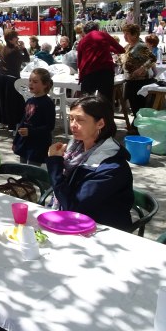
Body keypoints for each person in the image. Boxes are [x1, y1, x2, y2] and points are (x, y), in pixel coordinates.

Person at [46, 95, 134, 230]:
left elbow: (74, 208)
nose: (73, 125)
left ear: (100, 123)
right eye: (71, 118)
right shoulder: (75, 151)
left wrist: (55, 164)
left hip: (102, 232)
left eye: (80, 120)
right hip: (74, 223)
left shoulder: (111, 167)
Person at [13, 68, 55, 166]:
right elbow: (23, 121)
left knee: (33, 170)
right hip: (25, 142)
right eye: (30, 81)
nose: (31, 84)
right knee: (22, 168)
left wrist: (31, 131)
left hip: (38, 144)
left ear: (45, 84)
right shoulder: (29, 101)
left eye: (35, 82)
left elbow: (49, 126)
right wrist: (16, 141)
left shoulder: (47, 103)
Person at [76, 21, 124, 101]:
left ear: (85, 31)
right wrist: (107, 48)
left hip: (88, 72)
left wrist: (81, 75)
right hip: (105, 71)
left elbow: (79, 61)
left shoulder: (82, 41)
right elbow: (120, 49)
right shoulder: (104, 35)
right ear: (97, 28)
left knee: (86, 101)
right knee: (106, 100)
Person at [121, 24, 156, 117]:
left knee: (140, 108)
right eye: (124, 33)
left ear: (135, 34)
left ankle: (139, 124)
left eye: (127, 34)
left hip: (140, 82)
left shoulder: (141, 46)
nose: (124, 36)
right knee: (134, 107)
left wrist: (143, 68)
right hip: (130, 81)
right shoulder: (127, 46)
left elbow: (153, 58)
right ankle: (137, 123)